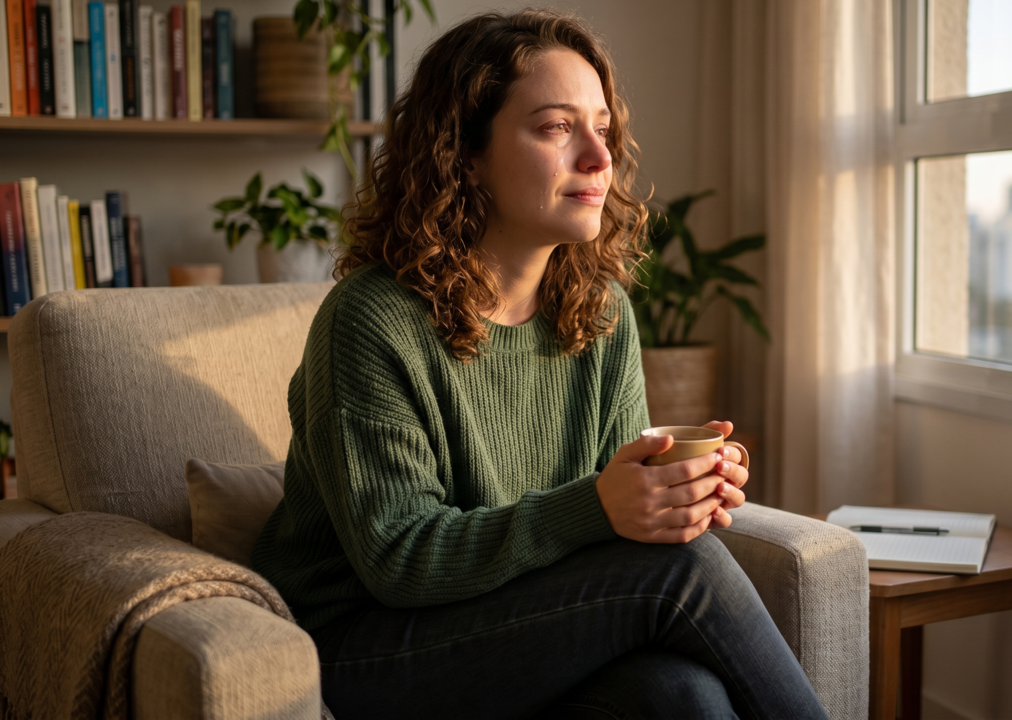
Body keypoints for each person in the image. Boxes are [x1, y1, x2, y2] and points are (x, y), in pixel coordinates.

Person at [251, 9, 829, 720]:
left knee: (685, 699)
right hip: (361, 648)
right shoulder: (371, 321)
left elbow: (609, 518)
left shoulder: (602, 312)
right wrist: (600, 507)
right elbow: (399, 558)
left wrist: (671, 492)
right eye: (557, 128)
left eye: (603, 130)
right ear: (462, 152)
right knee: (682, 572)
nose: (598, 158)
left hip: (518, 623)